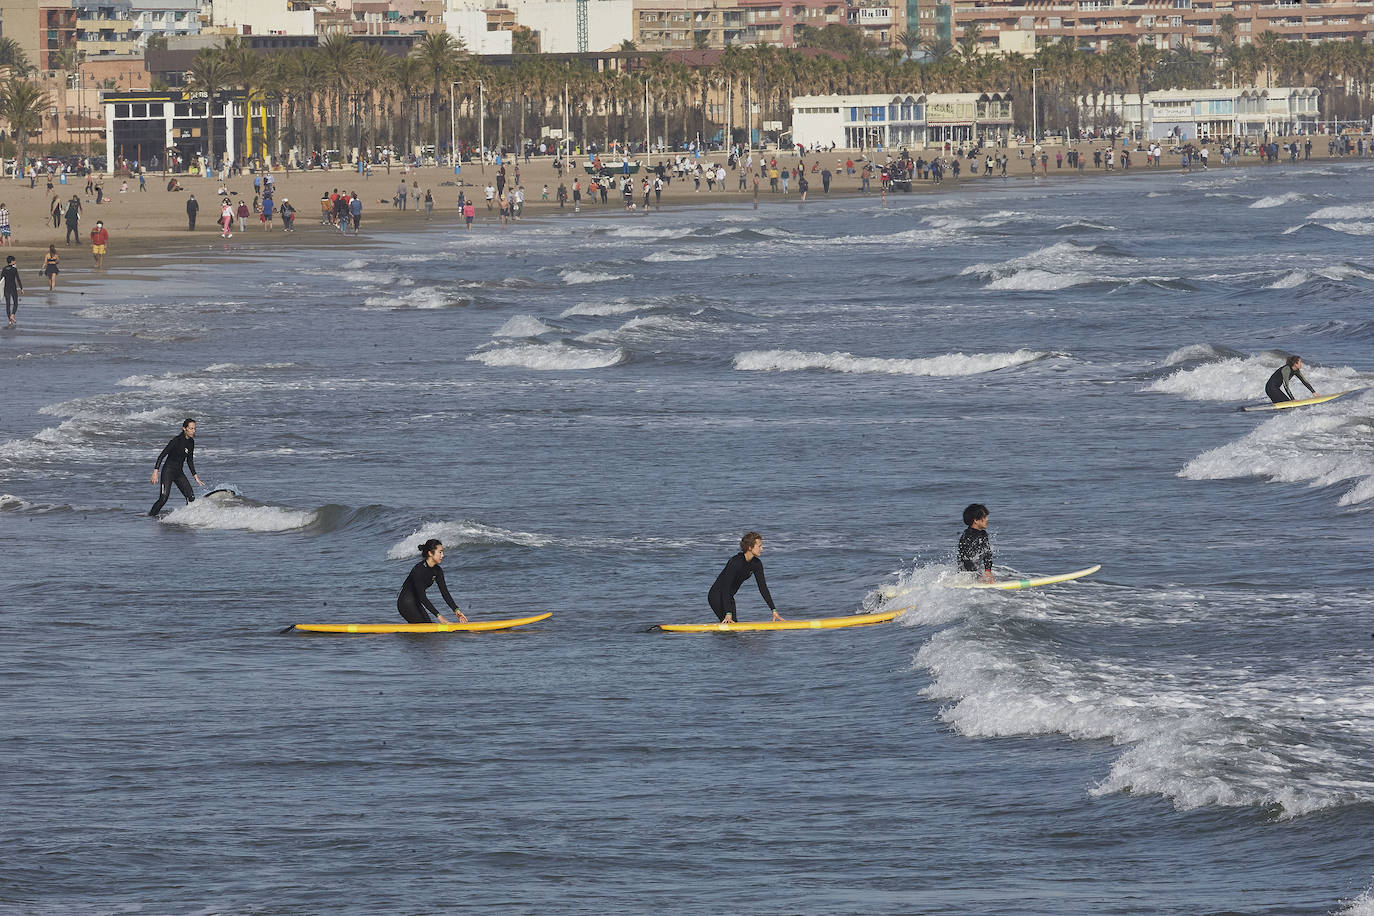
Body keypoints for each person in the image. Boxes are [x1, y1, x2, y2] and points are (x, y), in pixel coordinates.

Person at [707, 531, 783, 623]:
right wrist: (728, 613)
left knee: (733, 627)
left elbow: (763, 588)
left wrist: (773, 610)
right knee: (730, 626)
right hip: (716, 596)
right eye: (759, 546)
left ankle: (719, 637)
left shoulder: (756, 564)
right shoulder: (735, 562)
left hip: (729, 597)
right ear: (750, 547)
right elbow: (725, 588)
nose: (761, 549)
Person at [397, 539, 468, 624]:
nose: (443, 555)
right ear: (430, 553)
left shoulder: (438, 571)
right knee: (425, 628)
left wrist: (457, 611)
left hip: (416, 602)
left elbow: (445, 593)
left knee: (428, 626)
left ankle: (407, 636)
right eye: (440, 552)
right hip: (405, 602)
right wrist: (440, 617)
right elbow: (422, 597)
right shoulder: (418, 570)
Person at [149, 418, 204, 516]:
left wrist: (195, 476)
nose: (193, 431)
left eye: (194, 429)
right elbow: (162, 455)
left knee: (191, 497)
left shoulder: (191, 442)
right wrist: (155, 472)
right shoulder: (176, 440)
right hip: (168, 471)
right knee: (163, 498)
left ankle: (187, 518)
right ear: (184, 428)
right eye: (191, 428)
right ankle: (151, 516)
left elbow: (189, 460)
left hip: (178, 472)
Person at [957, 503, 994, 583]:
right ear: (976, 520)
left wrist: (988, 571)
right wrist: (977, 577)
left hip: (974, 574)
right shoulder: (967, 537)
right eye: (984, 517)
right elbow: (966, 559)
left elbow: (987, 553)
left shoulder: (983, 534)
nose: (986, 519)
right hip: (965, 577)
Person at [2, 255, 22, 327]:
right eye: (14, 260)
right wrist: (21, 288)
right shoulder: (14, 269)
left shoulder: (4, 269)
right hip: (13, 288)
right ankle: (12, 315)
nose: (15, 261)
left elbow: (1, 280)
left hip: (6, 288)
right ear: (12, 261)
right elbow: (18, 279)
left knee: (8, 304)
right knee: (15, 303)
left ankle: (10, 320)